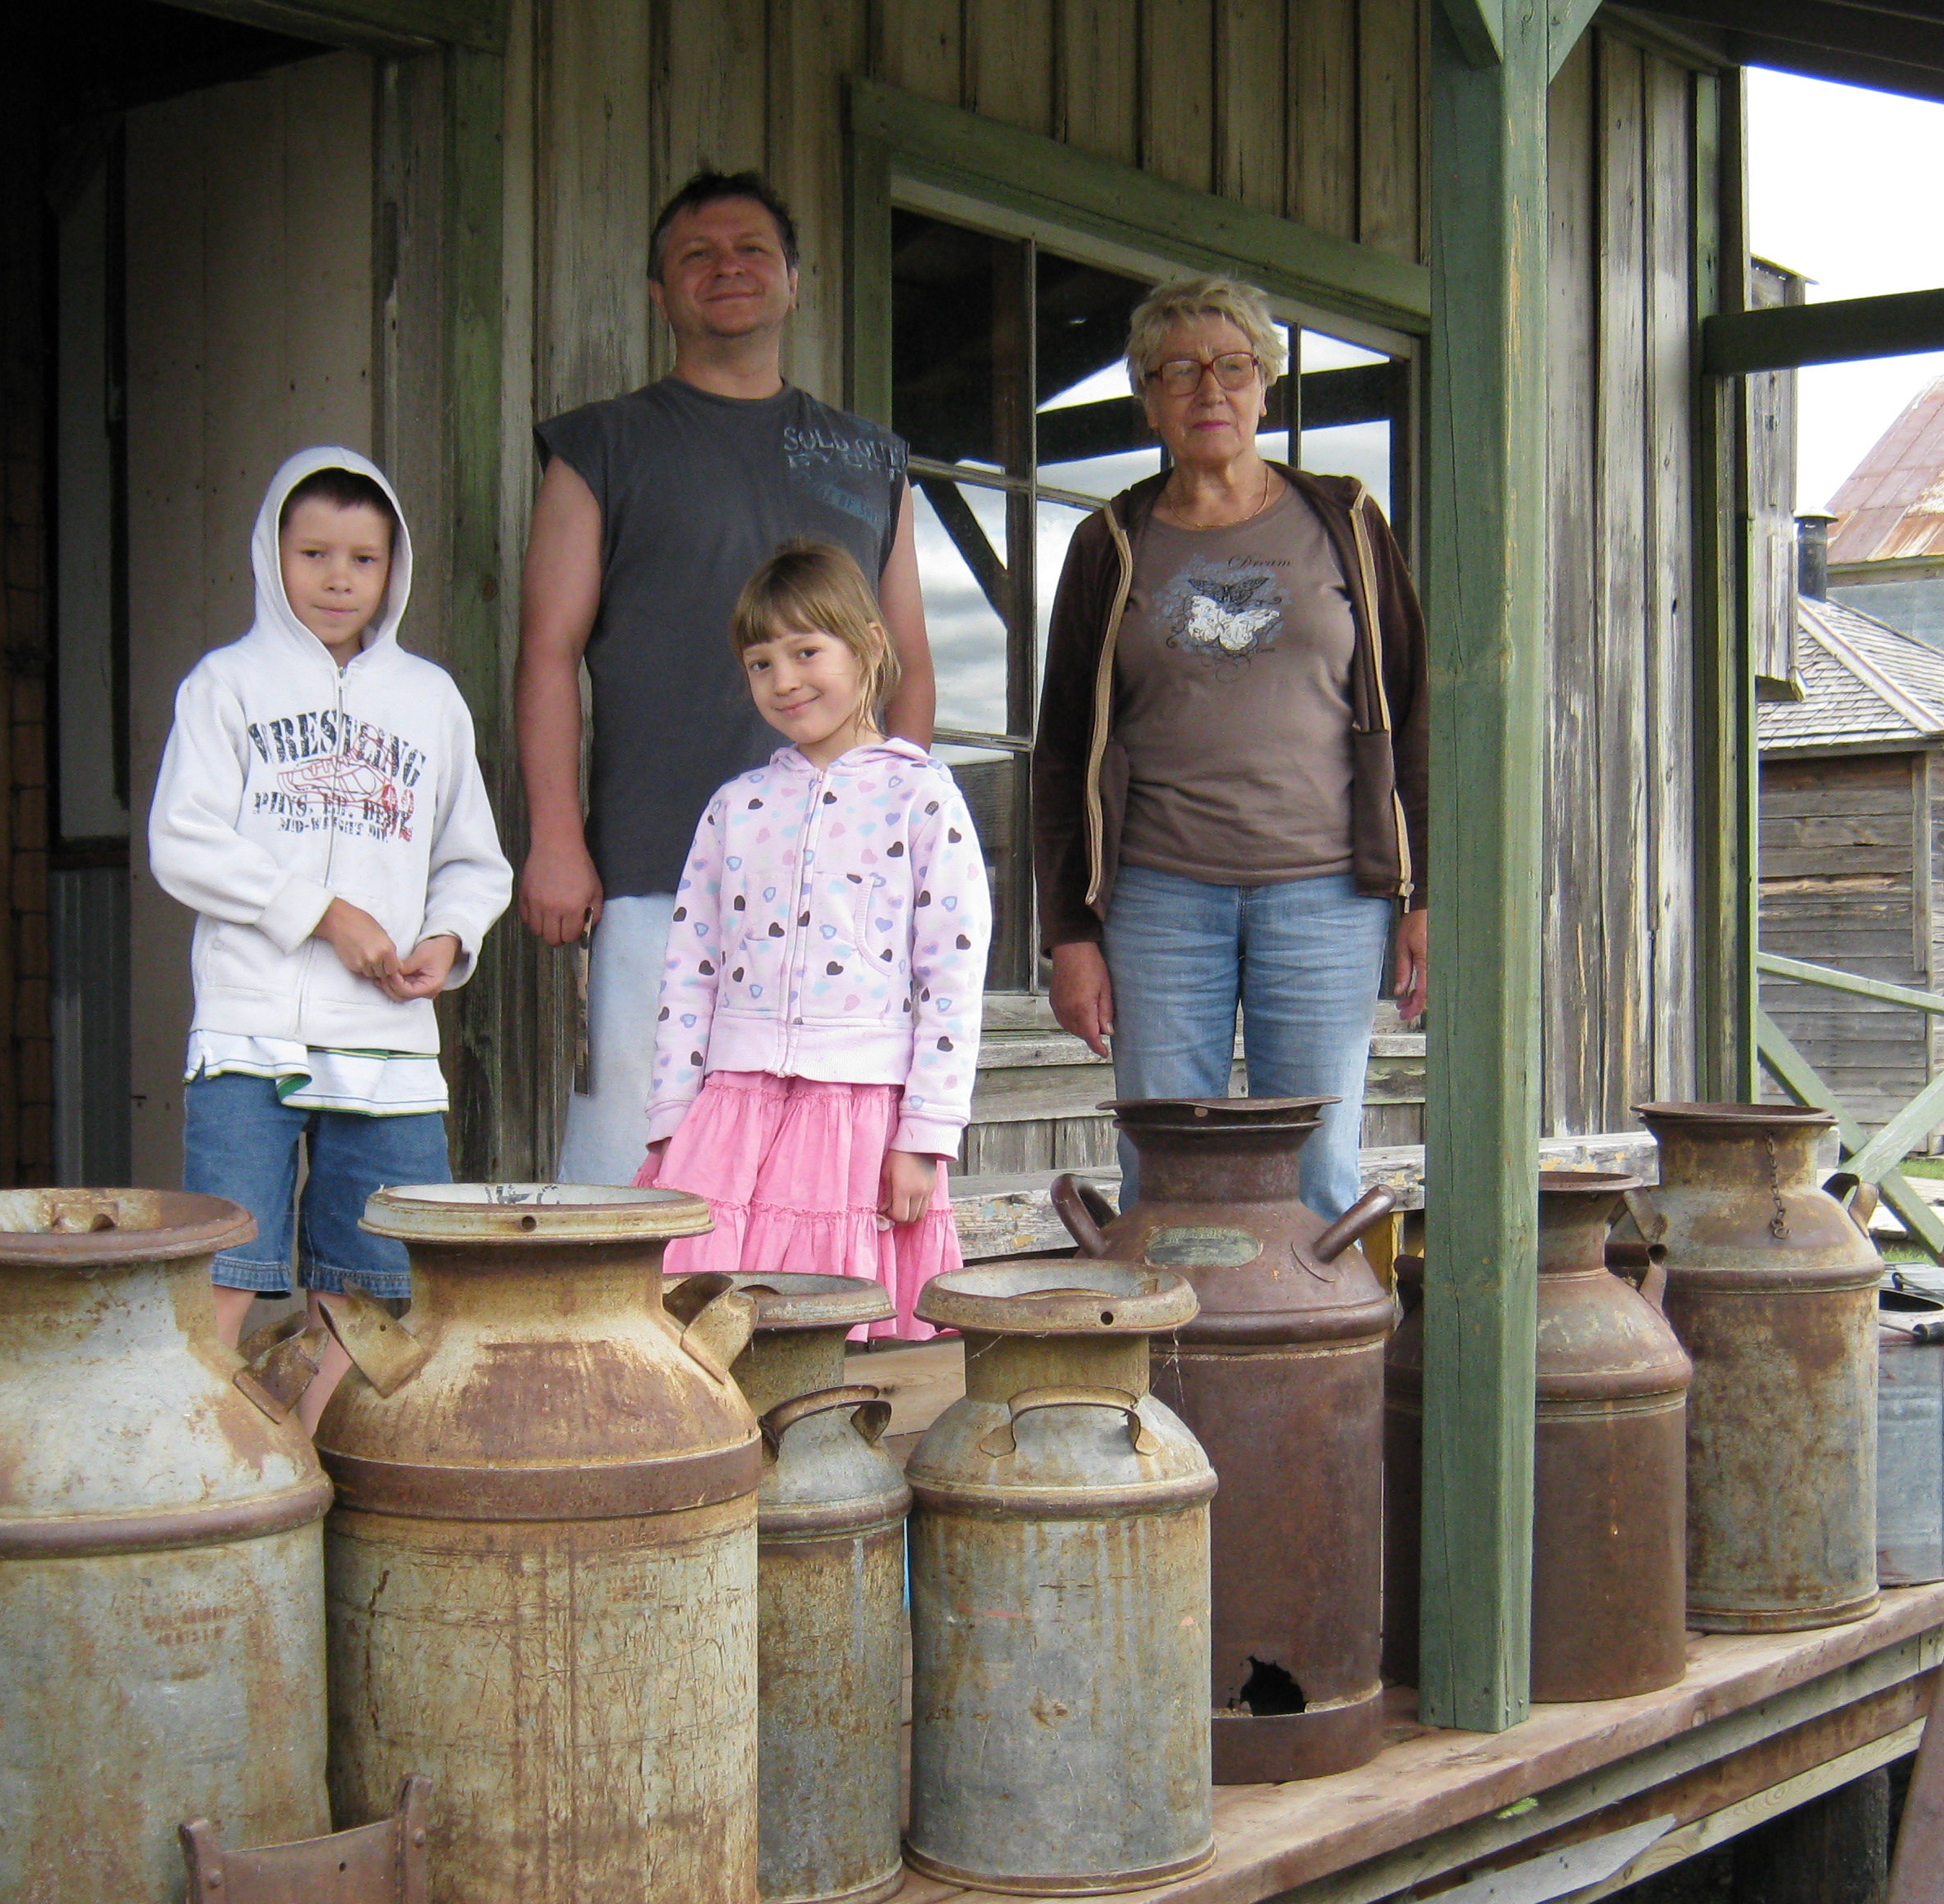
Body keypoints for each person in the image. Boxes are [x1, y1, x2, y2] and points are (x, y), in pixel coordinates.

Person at [518, 169, 936, 1185]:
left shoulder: (869, 458)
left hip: (837, 885)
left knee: (807, 1157)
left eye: (753, 249)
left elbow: (910, 662)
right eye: (696, 255)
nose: (728, 269)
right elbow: (547, 650)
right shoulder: (601, 446)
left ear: (795, 281)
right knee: (635, 1147)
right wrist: (557, 839)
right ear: (658, 294)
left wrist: (891, 824)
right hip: (653, 864)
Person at [1031, 275, 1430, 1223]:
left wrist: (1428, 896)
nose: (1209, 389)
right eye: (1179, 371)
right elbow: (1063, 750)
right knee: (1167, 1175)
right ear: (1149, 399)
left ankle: (1315, 1328)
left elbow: (1416, 711)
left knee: (1316, 1175)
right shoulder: (1110, 543)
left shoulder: (1346, 522)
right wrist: (1070, 934)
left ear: (1266, 387)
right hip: (1159, 899)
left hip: (1327, 896)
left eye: (1233, 367)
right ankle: (1176, 1329)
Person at [148, 445, 511, 1414]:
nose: (338, 578)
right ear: (272, 555)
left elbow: (475, 861)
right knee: (224, 1271)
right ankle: (218, 1465)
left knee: (369, 1286)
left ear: (395, 569)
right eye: (314, 554)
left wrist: (448, 938)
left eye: (363, 558)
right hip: (250, 1029)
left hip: (387, 1040)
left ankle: (321, 1459)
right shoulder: (226, 685)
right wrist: (319, 914)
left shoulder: (429, 700)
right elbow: (181, 841)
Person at [636, 543, 990, 1340]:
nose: (784, 680)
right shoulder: (738, 806)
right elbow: (690, 967)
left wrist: (926, 1135)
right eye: (760, 664)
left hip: (856, 1117)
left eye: (805, 652)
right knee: (703, 1327)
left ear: (868, 646)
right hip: (731, 1115)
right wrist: (673, 1114)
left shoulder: (921, 796)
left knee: (829, 1332)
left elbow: (952, 975)